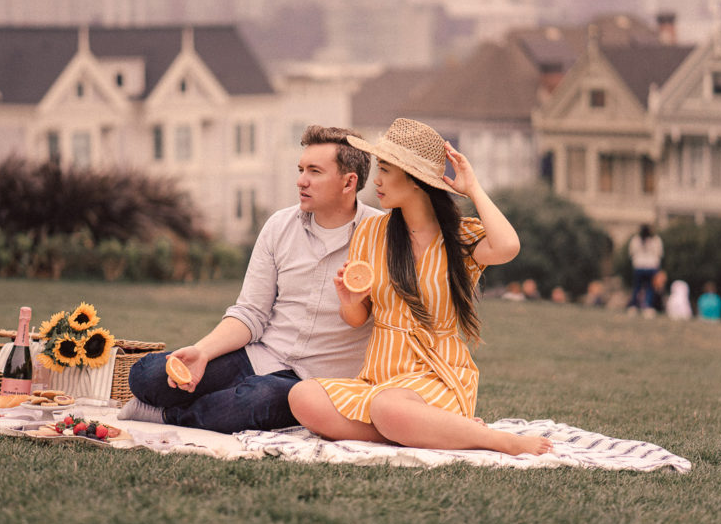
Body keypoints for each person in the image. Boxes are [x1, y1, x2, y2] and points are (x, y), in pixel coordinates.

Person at [287, 118, 553, 456]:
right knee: (303, 397)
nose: (377, 181)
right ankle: (422, 431)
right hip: (380, 377)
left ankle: (497, 440)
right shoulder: (371, 233)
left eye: (385, 170)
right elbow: (357, 318)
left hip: (436, 376)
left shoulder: (458, 238)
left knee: (389, 408)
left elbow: (507, 247)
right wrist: (350, 301)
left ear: (414, 180)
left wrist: (473, 188)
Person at [122, 125, 382, 433]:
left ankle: (168, 417)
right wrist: (203, 352)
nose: (301, 181)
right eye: (300, 169)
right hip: (262, 354)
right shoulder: (279, 226)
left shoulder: (382, 236)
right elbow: (251, 312)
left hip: (313, 382)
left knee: (254, 401)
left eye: (315, 171)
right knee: (148, 375)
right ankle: (201, 404)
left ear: (348, 182)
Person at [627, 224, 663, 317]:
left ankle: (633, 307)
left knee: (637, 287)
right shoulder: (656, 240)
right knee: (650, 288)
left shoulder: (635, 240)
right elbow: (659, 253)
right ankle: (648, 307)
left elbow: (631, 252)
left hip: (639, 266)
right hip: (651, 266)